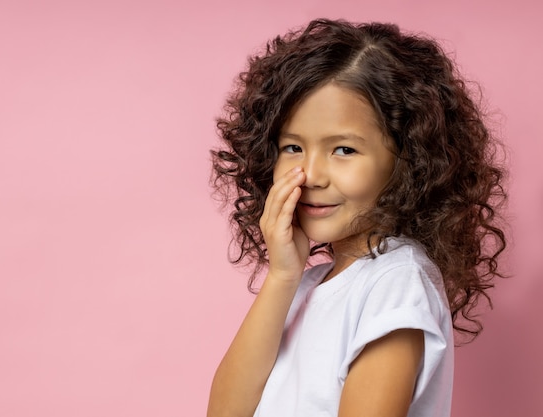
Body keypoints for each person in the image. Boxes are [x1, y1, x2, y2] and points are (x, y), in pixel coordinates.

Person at [207, 18, 506, 417]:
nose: (311, 174)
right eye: (293, 147)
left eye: (343, 150)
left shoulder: (396, 283)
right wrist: (281, 277)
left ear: (408, 161)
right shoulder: (307, 283)